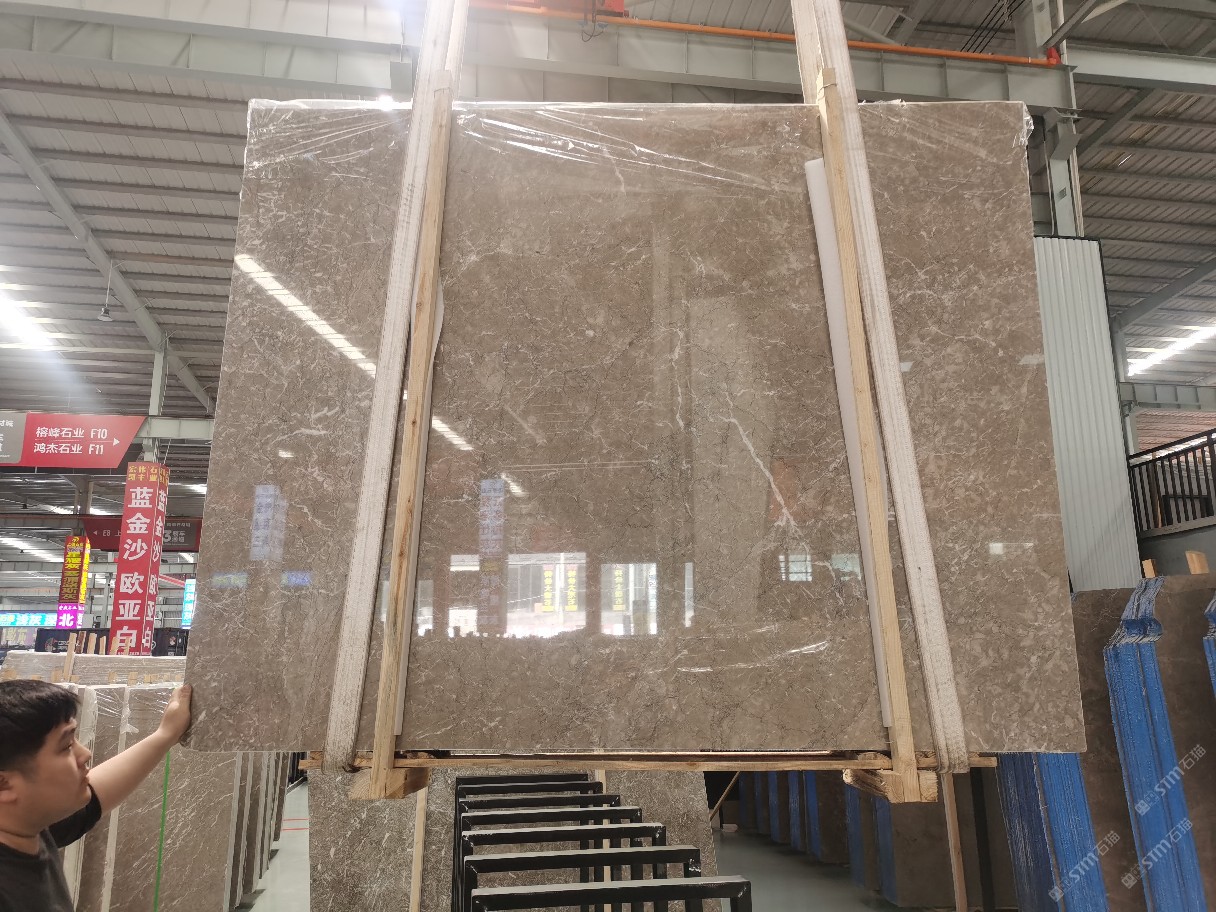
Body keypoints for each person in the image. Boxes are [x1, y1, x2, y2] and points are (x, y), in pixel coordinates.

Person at [0, 679, 192, 912]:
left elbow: (95, 796)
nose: (85, 753)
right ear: (4, 784)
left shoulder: (28, 827)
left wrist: (166, 734)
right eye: (66, 746)